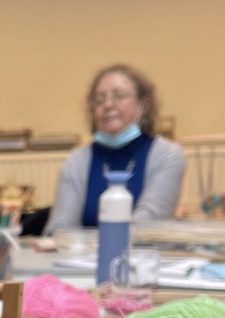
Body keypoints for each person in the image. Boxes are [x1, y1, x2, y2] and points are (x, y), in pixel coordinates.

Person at [45, 64, 186, 234]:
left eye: (119, 96)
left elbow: (147, 225)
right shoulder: (76, 160)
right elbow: (59, 229)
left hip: (141, 257)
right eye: (99, 99)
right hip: (80, 259)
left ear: (144, 106)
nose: (108, 105)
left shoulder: (167, 155)